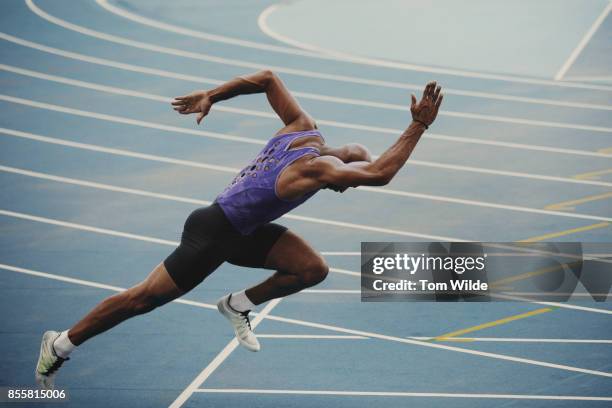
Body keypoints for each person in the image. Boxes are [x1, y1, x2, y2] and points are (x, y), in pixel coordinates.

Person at [35, 70, 443, 389]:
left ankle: (237, 305)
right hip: (212, 234)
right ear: (336, 169)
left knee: (311, 270)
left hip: (245, 229)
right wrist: (418, 126)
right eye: (345, 181)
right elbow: (379, 172)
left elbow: (266, 78)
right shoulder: (317, 170)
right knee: (141, 300)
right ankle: (60, 344)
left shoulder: (302, 128)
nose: (344, 186)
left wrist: (213, 94)